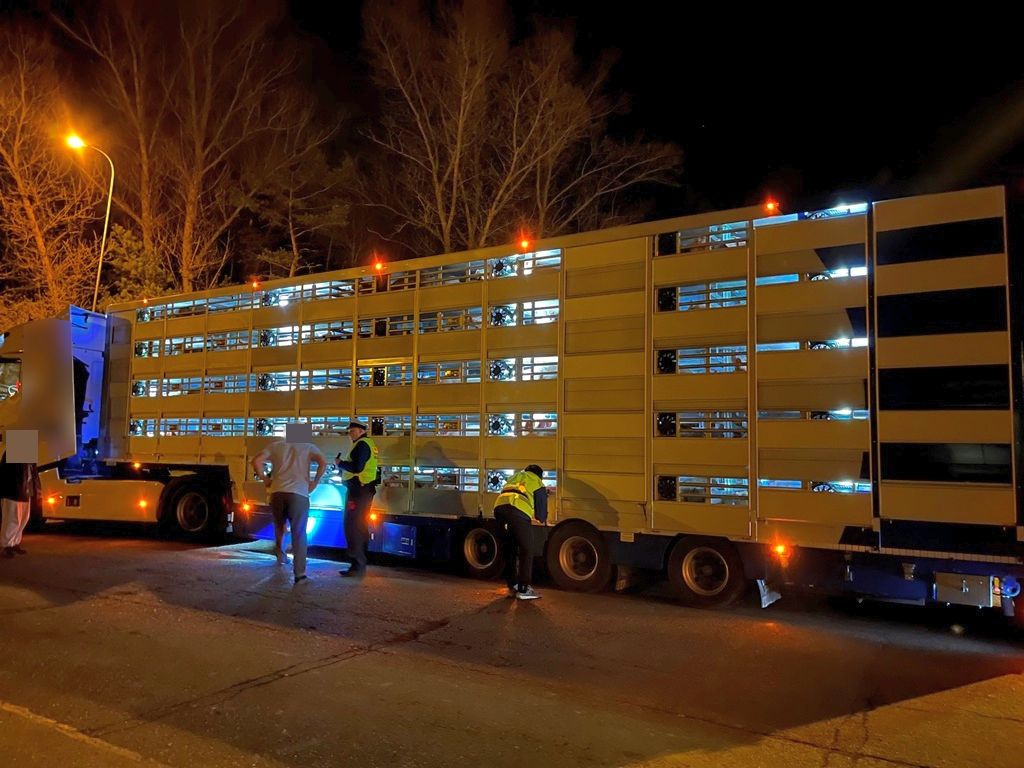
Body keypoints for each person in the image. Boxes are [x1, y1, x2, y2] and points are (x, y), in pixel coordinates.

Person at [251, 435, 326, 584]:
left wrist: (265, 479)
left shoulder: (276, 445)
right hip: (298, 494)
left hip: (277, 493)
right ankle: (299, 574)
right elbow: (322, 463)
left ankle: (281, 555)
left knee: (280, 526)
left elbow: (256, 461)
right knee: (299, 533)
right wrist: (314, 482)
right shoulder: (308, 446)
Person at [493, 464, 548, 600]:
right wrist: (542, 516)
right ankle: (524, 589)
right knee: (526, 548)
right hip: (518, 512)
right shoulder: (537, 481)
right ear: (539, 475)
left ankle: (513, 584)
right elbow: (541, 515)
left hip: (499, 509)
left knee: (510, 548)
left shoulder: (515, 477)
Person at [335, 421, 379, 577]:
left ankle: (357, 565)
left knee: (353, 526)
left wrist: (340, 464)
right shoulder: (367, 443)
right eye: (349, 432)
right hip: (362, 490)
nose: (350, 434)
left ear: (361, 431)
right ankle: (359, 563)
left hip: (358, 492)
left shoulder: (361, 444)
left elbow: (357, 468)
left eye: (352, 431)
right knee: (359, 525)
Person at [0, 452, 34, 559]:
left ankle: (15, 542)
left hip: (25, 490)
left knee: (23, 518)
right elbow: (5, 472)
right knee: (12, 518)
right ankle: (6, 545)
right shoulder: (11, 452)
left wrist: (34, 489)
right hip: (12, 491)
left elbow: (32, 473)